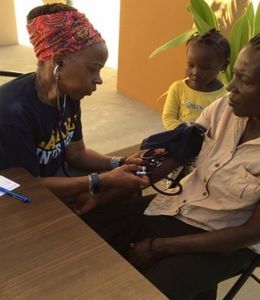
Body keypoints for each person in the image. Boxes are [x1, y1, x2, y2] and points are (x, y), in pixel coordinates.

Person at [115, 34, 260, 300]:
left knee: (147, 290)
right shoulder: (226, 108)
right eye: (235, 75)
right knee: (97, 228)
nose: (230, 88)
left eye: (244, 80)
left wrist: (161, 248)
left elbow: (250, 233)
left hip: (226, 241)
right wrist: (134, 177)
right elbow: (183, 147)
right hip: (178, 207)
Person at [0, 3, 149, 214]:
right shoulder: (11, 114)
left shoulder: (67, 95)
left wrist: (119, 163)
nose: (98, 80)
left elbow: (77, 153)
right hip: (22, 202)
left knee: (128, 186)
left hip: (57, 180)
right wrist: (99, 180)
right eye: (93, 69)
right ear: (59, 62)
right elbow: (27, 186)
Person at [162, 29, 230, 130]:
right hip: (179, 138)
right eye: (191, 65)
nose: (195, 72)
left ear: (223, 66)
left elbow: (220, 128)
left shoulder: (223, 97)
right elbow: (168, 117)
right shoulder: (177, 88)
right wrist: (186, 133)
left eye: (205, 68)